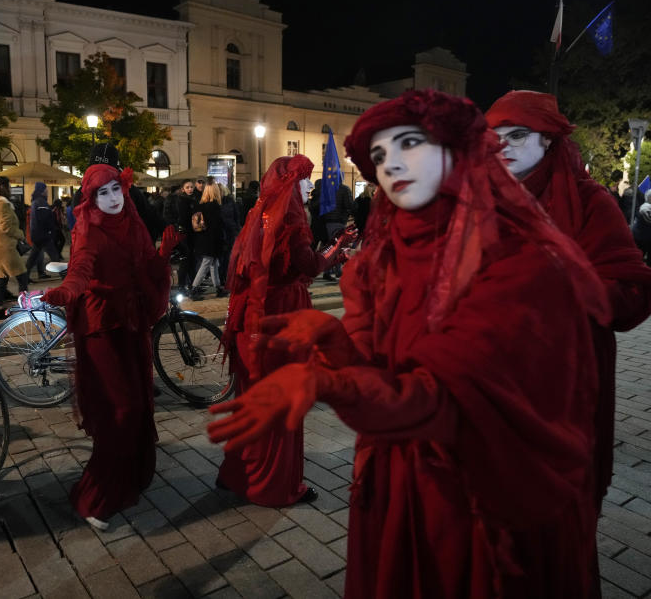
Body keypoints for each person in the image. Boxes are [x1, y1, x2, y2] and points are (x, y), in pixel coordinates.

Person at [208, 90, 611, 596]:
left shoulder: (516, 257)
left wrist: (327, 382)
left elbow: (441, 400)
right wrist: (336, 343)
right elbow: (384, 370)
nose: (391, 163)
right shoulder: (392, 253)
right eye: (379, 155)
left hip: (479, 505)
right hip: (403, 485)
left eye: (409, 144)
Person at [486, 90, 651, 507]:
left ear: (549, 139)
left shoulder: (589, 201)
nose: (502, 146)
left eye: (518, 134)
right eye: (493, 135)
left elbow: (633, 294)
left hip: (560, 388)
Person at [42, 163, 182, 530]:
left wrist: (163, 253)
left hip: (131, 322)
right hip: (102, 325)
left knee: (139, 403)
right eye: (102, 193)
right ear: (91, 198)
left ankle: (131, 477)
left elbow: (145, 263)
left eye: (116, 189)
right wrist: (64, 291)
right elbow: (80, 271)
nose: (112, 198)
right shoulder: (88, 229)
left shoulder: (133, 222)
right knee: (120, 409)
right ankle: (94, 496)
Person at [215, 155, 332, 507]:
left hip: (251, 318)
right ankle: (275, 485)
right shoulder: (292, 222)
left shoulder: (259, 214)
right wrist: (337, 251)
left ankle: (237, 475)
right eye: (305, 180)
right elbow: (309, 266)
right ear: (290, 185)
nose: (310, 187)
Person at [0, 176, 29, 309]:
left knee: (2, 278)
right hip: (6, 247)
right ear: (3, 188)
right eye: (9, 186)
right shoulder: (3, 204)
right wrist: (21, 235)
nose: (10, 189)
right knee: (22, 276)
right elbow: (6, 227)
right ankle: (26, 305)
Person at [189, 180, 227, 299]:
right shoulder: (214, 206)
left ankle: (218, 287)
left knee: (213, 263)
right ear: (215, 191)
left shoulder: (201, 204)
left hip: (203, 238)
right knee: (207, 263)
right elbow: (217, 226)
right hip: (212, 240)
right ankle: (194, 288)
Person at [26, 181, 62, 280]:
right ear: (42, 191)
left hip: (38, 235)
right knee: (54, 256)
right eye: (46, 189)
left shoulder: (36, 202)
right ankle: (66, 276)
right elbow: (45, 220)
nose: (47, 191)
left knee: (33, 257)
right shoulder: (41, 203)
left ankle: (25, 276)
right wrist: (50, 231)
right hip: (43, 235)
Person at [633, 190, 651, 263]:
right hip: (642, 237)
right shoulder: (645, 208)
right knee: (638, 259)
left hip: (642, 237)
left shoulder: (643, 207)